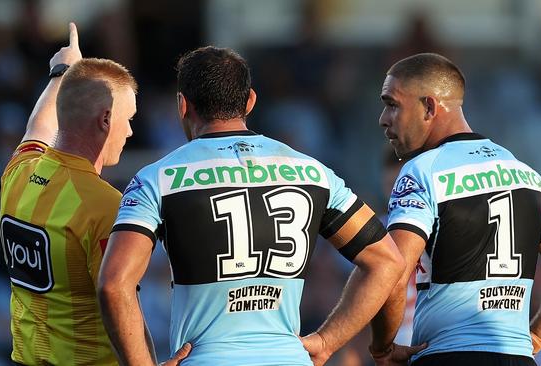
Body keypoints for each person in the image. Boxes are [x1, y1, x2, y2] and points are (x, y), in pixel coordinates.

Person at [97, 46, 406, 366]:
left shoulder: (158, 179)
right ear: (250, 101)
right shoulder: (313, 173)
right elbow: (386, 261)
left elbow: (114, 284)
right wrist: (328, 340)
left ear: (183, 106)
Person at [369, 53, 541, 366]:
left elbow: (394, 272)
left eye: (392, 104)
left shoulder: (423, 171)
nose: (383, 118)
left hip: (448, 356)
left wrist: (383, 346)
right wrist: (535, 340)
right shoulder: (523, 173)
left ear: (429, 107)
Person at [0, 23, 147, 365]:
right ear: (106, 119)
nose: (130, 131)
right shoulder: (106, 206)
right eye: (128, 118)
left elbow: (37, 126)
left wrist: (61, 72)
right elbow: (119, 301)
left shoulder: (18, 173)